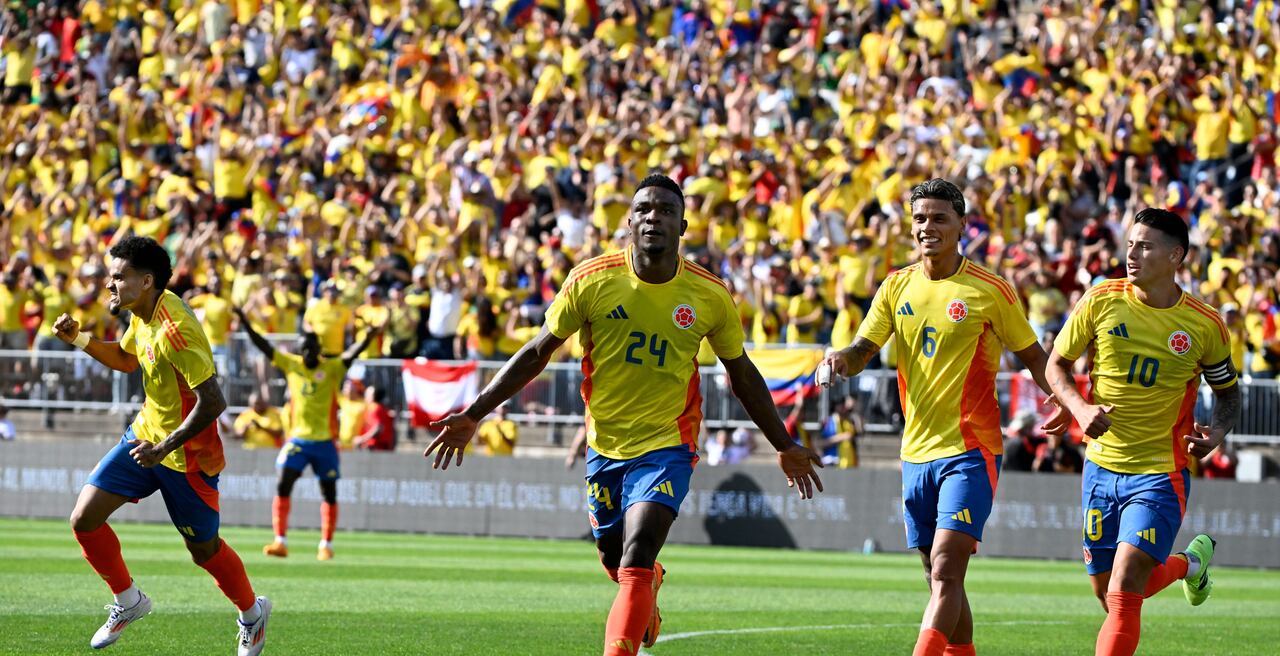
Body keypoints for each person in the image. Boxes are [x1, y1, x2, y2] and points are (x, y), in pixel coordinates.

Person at [427, 174, 824, 656]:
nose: (653, 216)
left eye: (665, 210)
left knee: (636, 556)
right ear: (629, 221)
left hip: (667, 445)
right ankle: (649, 588)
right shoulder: (592, 280)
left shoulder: (709, 295)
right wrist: (474, 414)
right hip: (604, 445)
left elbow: (742, 375)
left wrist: (784, 444)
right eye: (645, 209)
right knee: (614, 559)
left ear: (682, 226)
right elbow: (536, 352)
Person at [818, 179, 1058, 656]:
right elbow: (865, 348)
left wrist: (1067, 402)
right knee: (938, 576)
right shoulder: (895, 286)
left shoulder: (990, 290)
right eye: (921, 218)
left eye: (939, 218)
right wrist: (840, 360)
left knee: (947, 568)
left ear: (962, 225)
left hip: (971, 448)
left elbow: (1034, 355)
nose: (928, 227)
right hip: (916, 451)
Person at [53, 236, 269, 655]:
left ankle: (252, 613)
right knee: (84, 519)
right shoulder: (142, 311)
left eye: (118, 277)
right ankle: (128, 601)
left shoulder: (176, 329)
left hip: (188, 457)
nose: (109, 285)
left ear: (146, 281)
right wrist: (80, 340)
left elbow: (214, 401)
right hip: (145, 434)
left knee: (204, 551)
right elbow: (127, 359)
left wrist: (163, 448)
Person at [1046, 208, 1241, 656]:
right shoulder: (1100, 300)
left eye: (1145, 245)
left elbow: (1228, 393)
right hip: (1099, 468)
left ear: (1176, 256)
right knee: (1108, 592)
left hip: (1160, 472)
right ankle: (1191, 564)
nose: (1132, 253)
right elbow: (1056, 364)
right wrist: (1078, 407)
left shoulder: (1203, 324)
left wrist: (1218, 433)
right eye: (1130, 243)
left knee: (1125, 584)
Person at [235, 305, 380, 561]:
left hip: (324, 441)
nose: (307, 353)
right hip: (298, 439)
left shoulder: (332, 368)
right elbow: (264, 346)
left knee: (329, 492)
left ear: (319, 349)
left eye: (311, 348)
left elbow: (352, 354)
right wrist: (246, 322)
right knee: (283, 481)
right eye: (303, 349)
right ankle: (280, 541)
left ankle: (326, 544)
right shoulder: (292, 365)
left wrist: (367, 337)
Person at [353, 385, 396, 451]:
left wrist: (362, 439)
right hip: (385, 447)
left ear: (373, 396)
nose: (365, 396)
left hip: (376, 447)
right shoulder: (382, 409)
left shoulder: (373, 408)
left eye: (367, 394)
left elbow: (378, 427)